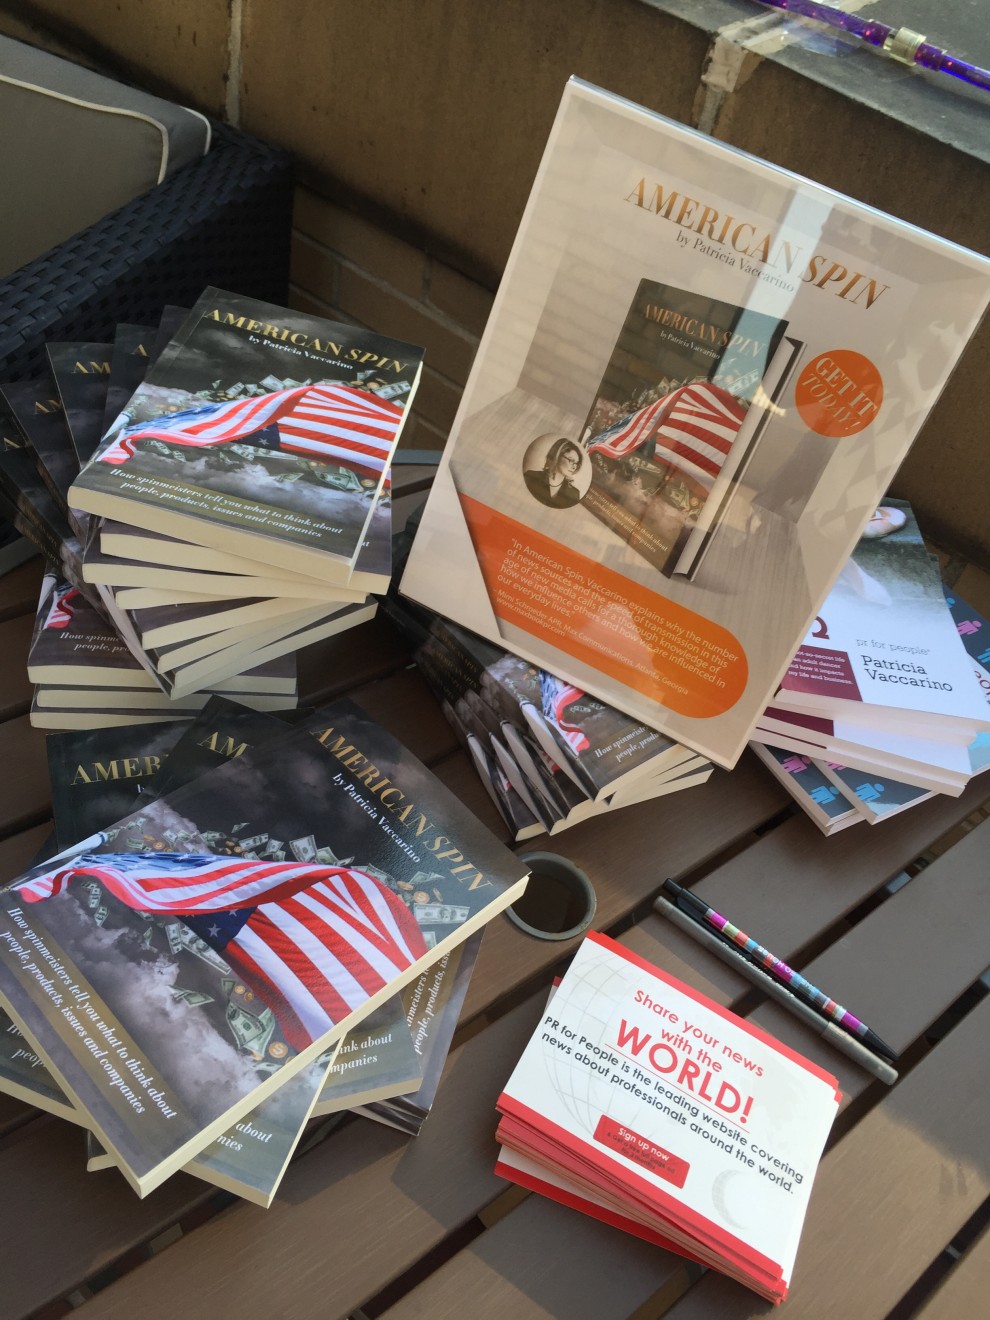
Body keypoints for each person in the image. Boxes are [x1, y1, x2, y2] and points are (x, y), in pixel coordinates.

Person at [524, 437, 584, 508]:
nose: (574, 467)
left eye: (576, 463)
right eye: (571, 460)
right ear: (557, 456)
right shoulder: (531, 477)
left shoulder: (574, 494)